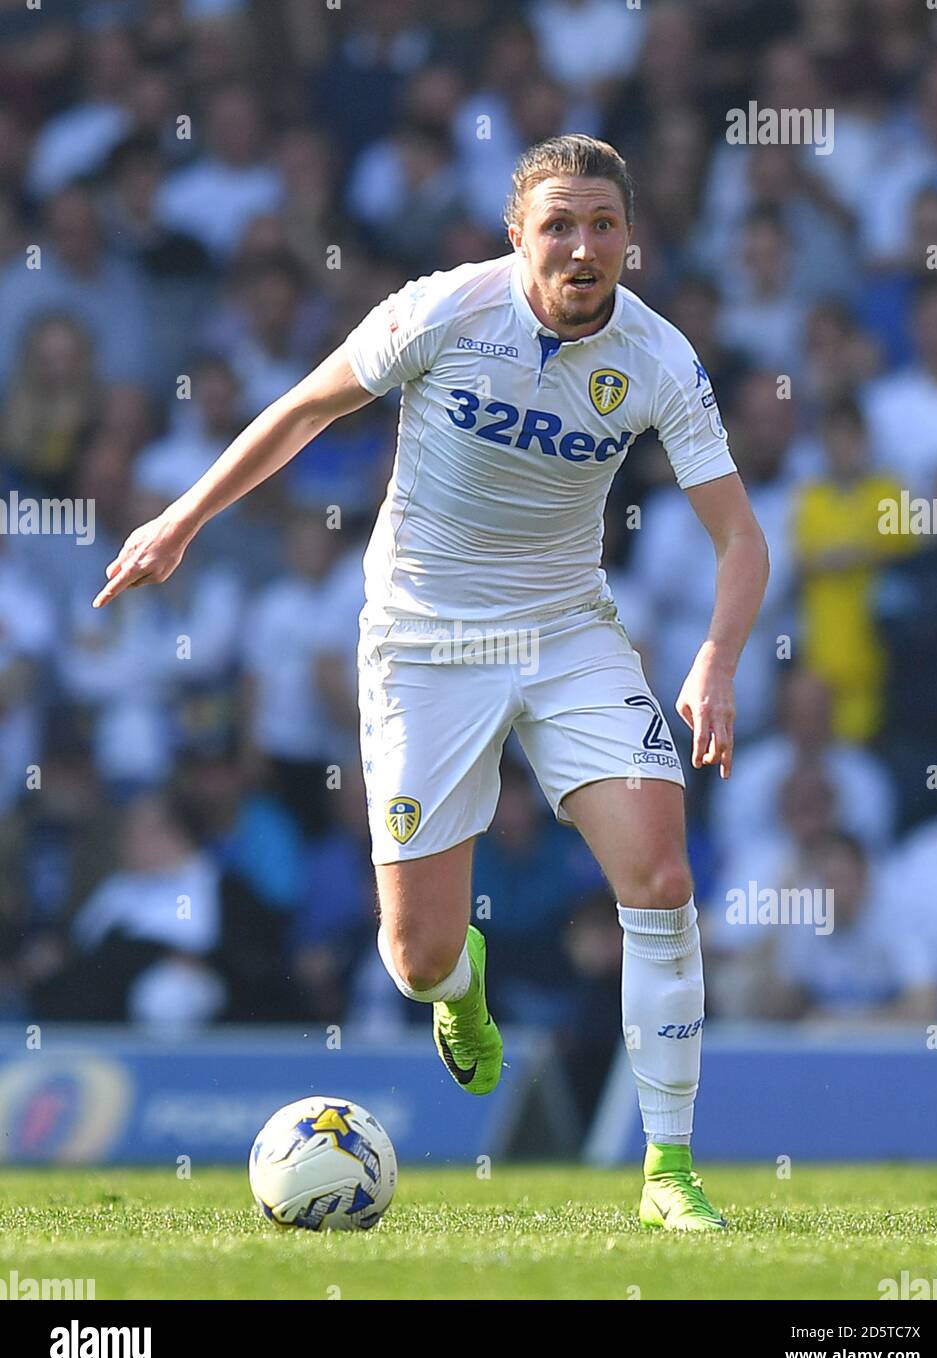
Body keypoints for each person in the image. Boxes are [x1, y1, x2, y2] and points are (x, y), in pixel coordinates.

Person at [92, 135, 769, 1232]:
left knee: (657, 875)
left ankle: (669, 1170)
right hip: (423, 642)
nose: (581, 245)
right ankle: (461, 988)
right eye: (558, 225)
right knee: (414, 959)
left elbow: (739, 538)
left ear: (630, 242)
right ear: (517, 238)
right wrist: (180, 520)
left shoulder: (658, 358)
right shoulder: (443, 312)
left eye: (602, 224)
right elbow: (306, 408)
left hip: (566, 634)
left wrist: (717, 655)